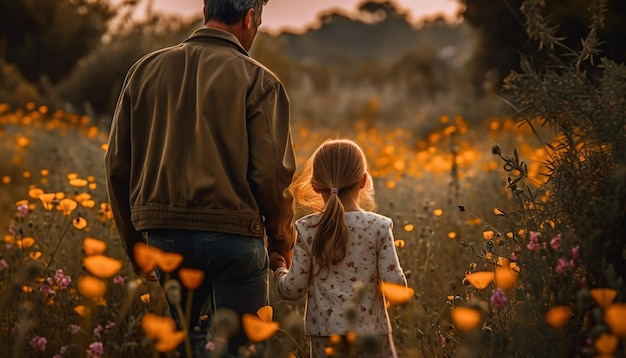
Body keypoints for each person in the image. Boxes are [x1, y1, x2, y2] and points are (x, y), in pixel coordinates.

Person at [104, 0, 295, 356]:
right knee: (243, 347)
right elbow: (270, 176)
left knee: (187, 345)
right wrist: (281, 240)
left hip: (164, 237)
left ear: (206, 8)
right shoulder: (260, 80)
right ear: (250, 17)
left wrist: (135, 245)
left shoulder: (143, 70)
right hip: (235, 237)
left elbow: (117, 166)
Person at [270, 138, 407, 358]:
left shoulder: (307, 229)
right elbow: (397, 286)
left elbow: (293, 290)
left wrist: (279, 270)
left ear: (315, 185)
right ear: (363, 181)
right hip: (372, 335)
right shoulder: (379, 227)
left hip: (326, 339)